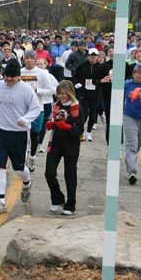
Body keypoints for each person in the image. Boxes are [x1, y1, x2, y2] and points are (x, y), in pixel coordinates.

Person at [0, 60, 41, 214]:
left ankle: (27, 182)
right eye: (7, 76)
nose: (9, 80)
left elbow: (36, 109)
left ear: (19, 77)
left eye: (12, 77)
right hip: (0, 131)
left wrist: (26, 119)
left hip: (18, 134)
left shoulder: (26, 90)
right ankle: (1, 202)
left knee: (19, 169)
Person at [44, 81, 85, 215]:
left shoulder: (77, 107)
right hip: (55, 143)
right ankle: (57, 199)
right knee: (49, 173)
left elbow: (79, 130)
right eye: (60, 94)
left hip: (71, 144)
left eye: (64, 94)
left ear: (70, 93)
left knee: (70, 173)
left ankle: (70, 203)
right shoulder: (56, 106)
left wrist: (67, 127)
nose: (62, 96)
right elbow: (51, 120)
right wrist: (51, 123)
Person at [19, 50, 56, 166]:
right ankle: (23, 156)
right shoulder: (20, 72)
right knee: (22, 134)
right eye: (27, 58)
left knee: (35, 133)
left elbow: (53, 90)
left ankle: (32, 155)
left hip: (37, 108)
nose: (29, 60)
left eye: (31, 58)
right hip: (22, 108)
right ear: (23, 59)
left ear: (35, 60)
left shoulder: (42, 73)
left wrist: (37, 91)